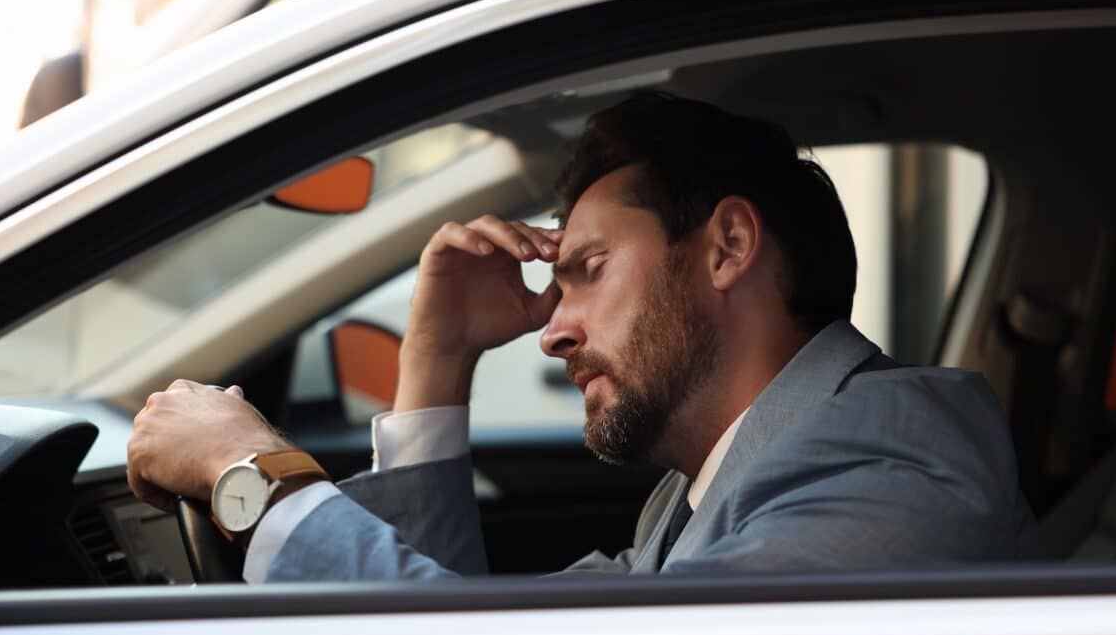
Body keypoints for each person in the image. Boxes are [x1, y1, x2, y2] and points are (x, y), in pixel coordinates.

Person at [127, 92, 1046, 581]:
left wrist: (252, 477)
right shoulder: (693, 501)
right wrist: (438, 361)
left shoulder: (890, 456)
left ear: (727, 246)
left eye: (590, 269)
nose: (551, 332)